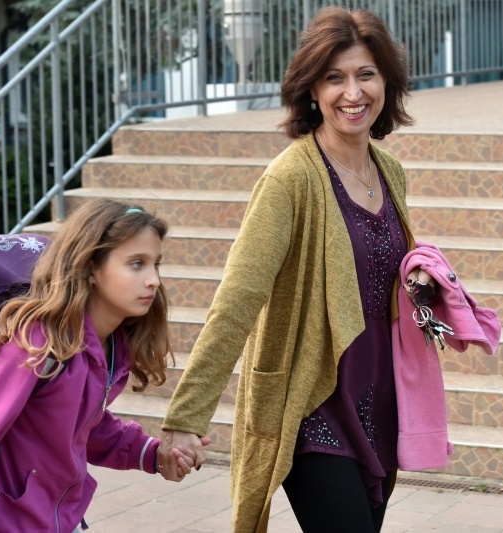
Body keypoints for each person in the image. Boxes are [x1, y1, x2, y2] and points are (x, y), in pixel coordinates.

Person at [160, 7, 420, 532]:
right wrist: (186, 416)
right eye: (335, 78)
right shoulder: (290, 179)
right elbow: (237, 299)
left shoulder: (389, 171)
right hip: (312, 407)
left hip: (378, 402)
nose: (353, 92)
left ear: (386, 83)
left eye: (366, 74)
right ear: (312, 90)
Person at [0, 199, 211, 532]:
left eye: (156, 264)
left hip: (51, 518)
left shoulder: (110, 345)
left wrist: (153, 453)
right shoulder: (35, 344)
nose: (153, 280)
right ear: (90, 267)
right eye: (136, 264)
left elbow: (83, 427)